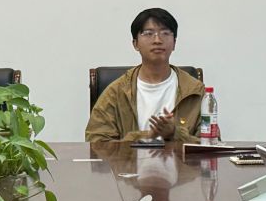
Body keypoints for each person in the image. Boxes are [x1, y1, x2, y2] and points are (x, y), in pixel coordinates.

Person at [86, 8, 204, 144]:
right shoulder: (116, 92)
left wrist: (175, 134)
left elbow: (212, 145)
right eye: (148, 33)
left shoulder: (195, 90)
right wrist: (146, 136)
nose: (157, 40)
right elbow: (96, 143)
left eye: (165, 33)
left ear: (174, 43)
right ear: (135, 44)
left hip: (180, 159)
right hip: (129, 159)